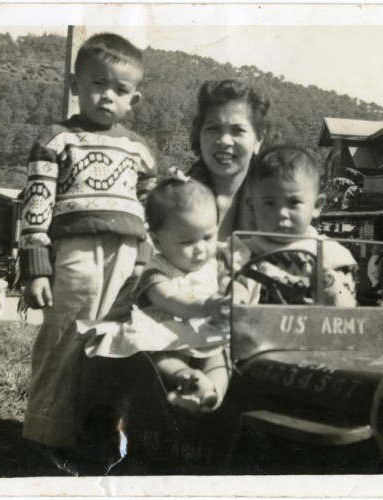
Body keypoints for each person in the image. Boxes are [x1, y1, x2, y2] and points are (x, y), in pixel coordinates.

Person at [18, 33, 155, 452]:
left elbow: (150, 210)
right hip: (75, 251)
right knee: (65, 335)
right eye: (98, 84)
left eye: (120, 89)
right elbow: (36, 205)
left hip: (127, 253)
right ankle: (47, 434)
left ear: (134, 97)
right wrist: (36, 268)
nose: (107, 97)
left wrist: (145, 261)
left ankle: (98, 433)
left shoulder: (140, 150)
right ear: (75, 85)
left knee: (113, 338)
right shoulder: (56, 139)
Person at [134, 177, 233, 412]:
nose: (201, 248)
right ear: (157, 241)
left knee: (221, 361)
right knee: (161, 359)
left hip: (206, 337)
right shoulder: (157, 269)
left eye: (208, 237)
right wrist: (205, 307)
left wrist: (229, 292)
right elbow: (169, 300)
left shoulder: (215, 264)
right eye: (187, 241)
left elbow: (229, 282)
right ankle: (186, 379)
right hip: (167, 338)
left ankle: (211, 394)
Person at [239, 146, 358, 307]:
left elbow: (348, 312)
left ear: (316, 206)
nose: (281, 213)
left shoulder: (331, 253)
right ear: (252, 207)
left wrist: (330, 284)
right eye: (269, 203)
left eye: (294, 203)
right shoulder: (243, 251)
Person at [186, 79, 269, 240]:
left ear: (259, 139)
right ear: (199, 133)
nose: (224, 140)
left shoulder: (274, 199)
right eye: (213, 129)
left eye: (238, 130)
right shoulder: (172, 197)